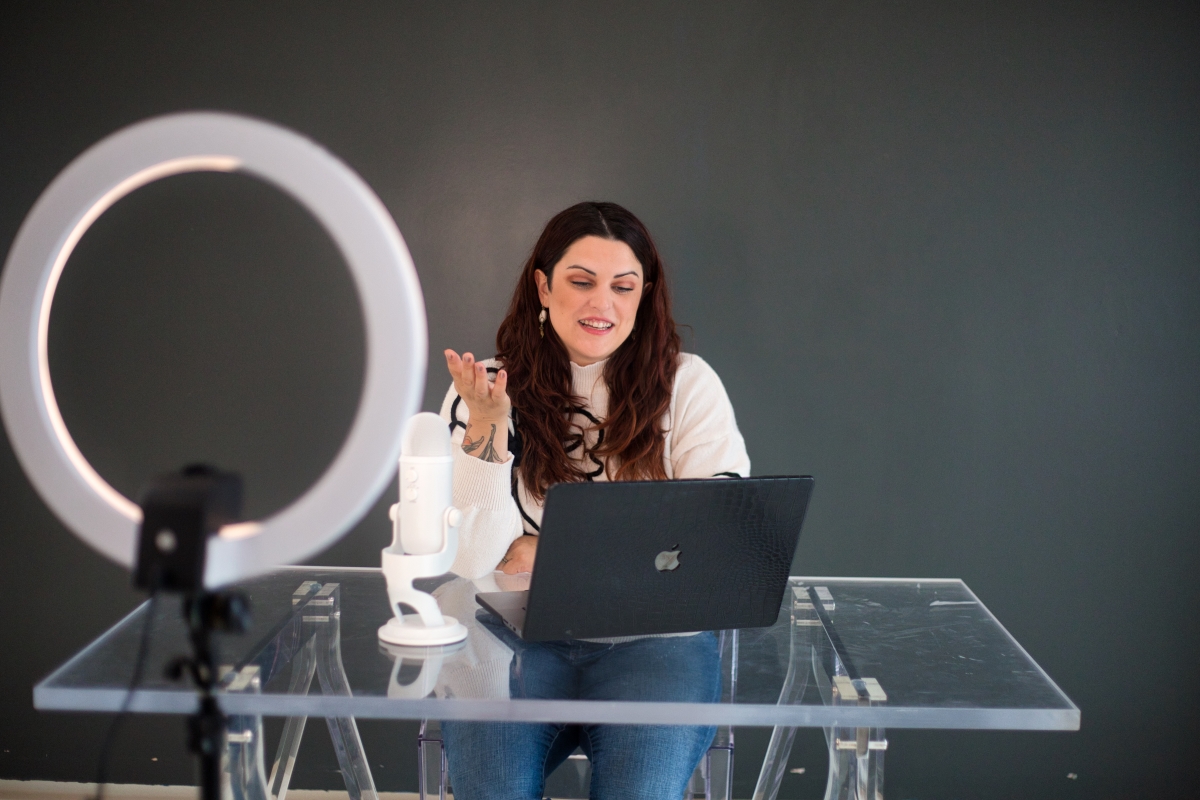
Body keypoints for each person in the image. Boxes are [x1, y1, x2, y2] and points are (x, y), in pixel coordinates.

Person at [438, 201, 750, 800]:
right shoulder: (482, 392)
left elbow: (715, 540)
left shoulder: (689, 384)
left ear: (643, 295)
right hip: (508, 635)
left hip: (657, 644)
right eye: (581, 282)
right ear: (543, 287)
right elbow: (474, 559)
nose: (601, 304)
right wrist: (487, 429)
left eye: (622, 286)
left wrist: (541, 547)